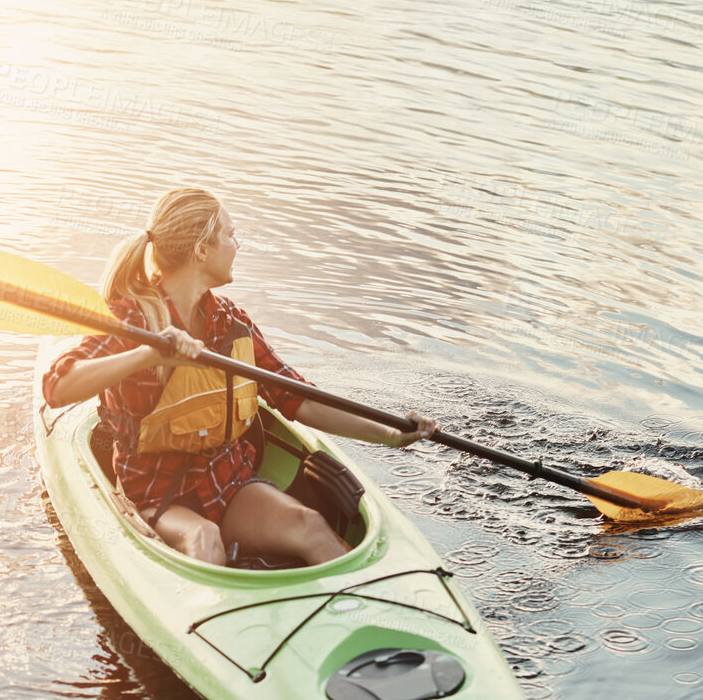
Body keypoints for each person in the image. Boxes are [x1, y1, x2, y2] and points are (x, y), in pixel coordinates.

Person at [42, 188, 437, 567]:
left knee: (311, 526)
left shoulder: (231, 323)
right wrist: (148, 353)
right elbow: (58, 387)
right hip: (156, 495)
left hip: (226, 483)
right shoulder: (131, 318)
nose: (237, 245)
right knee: (204, 539)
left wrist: (391, 435)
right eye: (230, 235)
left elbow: (301, 400)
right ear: (202, 250)